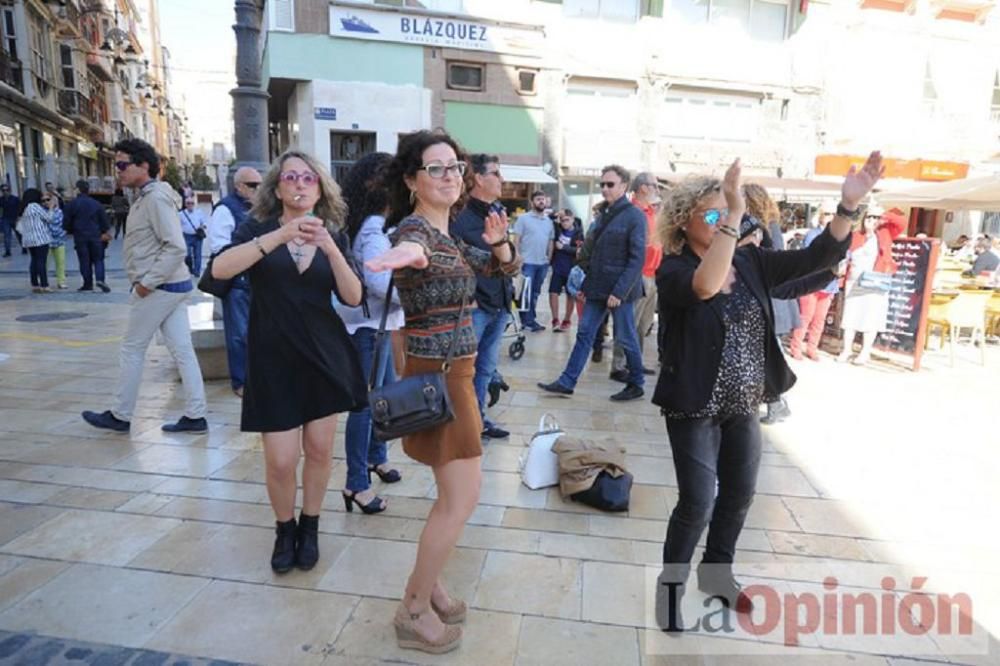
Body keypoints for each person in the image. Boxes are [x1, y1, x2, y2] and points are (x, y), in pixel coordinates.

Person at [651, 152, 884, 632]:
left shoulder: (752, 261)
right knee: (697, 502)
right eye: (712, 214)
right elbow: (706, 285)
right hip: (693, 406)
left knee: (738, 494)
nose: (722, 222)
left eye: (727, 212)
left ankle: (716, 574)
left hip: (743, 402)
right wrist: (733, 218)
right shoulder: (674, 270)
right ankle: (670, 590)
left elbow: (817, 257)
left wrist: (847, 207)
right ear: (683, 221)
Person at [365, 130, 520, 654]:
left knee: (454, 496)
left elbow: (503, 267)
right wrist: (404, 255)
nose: (450, 175)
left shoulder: (449, 232)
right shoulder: (417, 231)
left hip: (456, 372)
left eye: (454, 166)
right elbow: (412, 248)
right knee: (461, 499)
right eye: (436, 168)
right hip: (442, 374)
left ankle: (429, 585)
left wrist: (500, 240)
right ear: (412, 180)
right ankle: (412, 608)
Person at [211, 149, 367, 574]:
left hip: (324, 355)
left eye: (308, 178)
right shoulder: (256, 226)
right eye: (290, 177)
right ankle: (284, 528)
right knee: (280, 460)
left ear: (320, 187)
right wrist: (279, 237)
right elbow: (219, 271)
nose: (299, 184)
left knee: (318, 451)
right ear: (276, 187)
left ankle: (310, 526)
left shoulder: (334, 230)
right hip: (273, 356)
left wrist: (330, 248)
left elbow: (353, 296)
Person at [81, 138, 208, 436]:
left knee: (132, 348)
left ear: (144, 166)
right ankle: (196, 415)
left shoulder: (154, 198)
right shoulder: (146, 196)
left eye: (123, 164)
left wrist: (145, 285)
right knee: (182, 351)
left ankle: (121, 415)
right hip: (171, 286)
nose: (118, 170)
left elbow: (175, 247)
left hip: (159, 287)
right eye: (117, 165)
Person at [537, 164, 647, 402]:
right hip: (597, 286)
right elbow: (593, 252)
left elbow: (637, 259)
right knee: (584, 333)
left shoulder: (635, 216)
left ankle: (637, 382)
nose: (605, 188)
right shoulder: (603, 215)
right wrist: (586, 285)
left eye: (610, 184)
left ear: (624, 186)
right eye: (603, 184)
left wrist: (619, 291)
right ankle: (567, 381)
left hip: (620, 290)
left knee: (625, 337)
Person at [334, 151, 404, 514]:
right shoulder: (373, 229)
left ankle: (377, 458)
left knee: (382, 397)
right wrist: (414, 288)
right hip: (368, 329)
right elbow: (380, 283)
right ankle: (355, 483)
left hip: (375, 325)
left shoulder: (367, 223)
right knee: (364, 406)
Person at [451, 153, 516, 440]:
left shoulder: (497, 211)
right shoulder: (460, 217)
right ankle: (461, 424)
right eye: (496, 174)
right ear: (478, 178)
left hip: (499, 303)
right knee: (463, 370)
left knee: (486, 370)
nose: (502, 180)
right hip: (475, 306)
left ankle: (477, 421)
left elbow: (508, 258)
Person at [208, 166, 261, 398]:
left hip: (257, 280)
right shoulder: (225, 209)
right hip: (239, 281)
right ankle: (241, 382)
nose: (257, 190)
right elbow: (219, 246)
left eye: (260, 185)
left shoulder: (259, 209)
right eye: (252, 185)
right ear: (238, 186)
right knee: (239, 333)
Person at [837, 202, 905, 365]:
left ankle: (865, 352)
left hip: (876, 281)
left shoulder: (885, 233)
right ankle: (847, 349)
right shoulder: (856, 235)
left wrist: (883, 216)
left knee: (871, 316)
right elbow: (847, 253)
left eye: (876, 218)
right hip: (855, 280)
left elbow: (901, 222)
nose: (873, 220)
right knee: (851, 316)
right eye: (870, 217)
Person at [610, 172, 662, 382]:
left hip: (652, 274)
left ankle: (635, 362)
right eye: (655, 185)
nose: (657, 189)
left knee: (643, 324)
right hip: (637, 275)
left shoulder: (650, 211)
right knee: (629, 322)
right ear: (643, 188)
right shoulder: (632, 212)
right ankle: (619, 365)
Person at [789, 200, 839, 362]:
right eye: (827, 214)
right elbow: (811, 257)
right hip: (811, 283)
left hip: (829, 284)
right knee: (805, 317)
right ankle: (796, 347)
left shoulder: (839, 236)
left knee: (819, 319)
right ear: (821, 217)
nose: (830, 217)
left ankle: (812, 348)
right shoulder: (813, 234)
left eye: (833, 214)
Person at [513, 190, 554, 331]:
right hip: (527, 262)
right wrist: (517, 258)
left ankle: (530, 319)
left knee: (536, 293)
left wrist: (549, 258)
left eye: (543, 199)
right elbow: (516, 239)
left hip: (542, 264)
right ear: (532, 202)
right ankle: (528, 321)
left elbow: (550, 241)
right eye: (538, 199)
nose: (541, 201)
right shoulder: (523, 219)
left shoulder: (548, 221)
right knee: (526, 293)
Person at [64, 179, 111, 293]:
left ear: (77, 190)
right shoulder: (96, 204)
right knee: (98, 259)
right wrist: (104, 231)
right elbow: (104, 221)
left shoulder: (72, 204)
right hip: (96, 235)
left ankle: (87, 283)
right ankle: (100, 279)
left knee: (84, 260)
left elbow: (66, 221)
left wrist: (70, 230)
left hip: (80, 236)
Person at [547, 209, 584, 332]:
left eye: (567, 220)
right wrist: (557, 214)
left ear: (573, 219)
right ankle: (555, 319)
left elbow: (579, 251)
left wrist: (564, 247)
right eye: (562, 220)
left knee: (570, 295)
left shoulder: (578, 233)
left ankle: (567, 319)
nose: (564, 223)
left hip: (571, 268)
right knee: (553, 292)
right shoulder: (558, 228)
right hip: (558, 267)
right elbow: (549, 217)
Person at [17, 188, 55, 293]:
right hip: (40, 238)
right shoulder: (35, 206)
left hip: (29, 240)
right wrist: (51, 208)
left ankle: (35, 284)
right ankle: (44, 284)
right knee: (41, 262)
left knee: (34, 261)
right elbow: (49, 219)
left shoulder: (24, 208)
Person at [178, 196, 208, 276]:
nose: (190, 205)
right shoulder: (181, 214)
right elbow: (177, 225)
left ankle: (197, 272)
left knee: (197, 254)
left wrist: (202, 226)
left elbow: (204, 223)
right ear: (185, 204)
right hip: (186, 236)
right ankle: (190, 269)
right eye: (188, 203)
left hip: (197, 236)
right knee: (187, 254)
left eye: (192, 203)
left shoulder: (199, 212)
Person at [46, 196, 68, 289]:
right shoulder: (43, 211)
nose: (46, 202)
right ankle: (43, 281)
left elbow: (62, 224)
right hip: (47, 241)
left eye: (48, 199)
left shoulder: (60, 212)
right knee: (45, 263)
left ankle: (61, 281)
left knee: (61, 262)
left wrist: (63, 233)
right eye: (44, 200)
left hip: (59, 240)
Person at [0, 183, 20, 256]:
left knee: (19, 234)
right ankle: (7, 251)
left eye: (7, 190)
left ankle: (24, 248)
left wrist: (19, 217)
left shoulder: (15, 199)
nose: (5, 191)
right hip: (6, 219)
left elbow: (19, 208)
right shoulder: (1, 200)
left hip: (15, 219)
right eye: (3, 190)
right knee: (7, 235)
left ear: (9, 190)